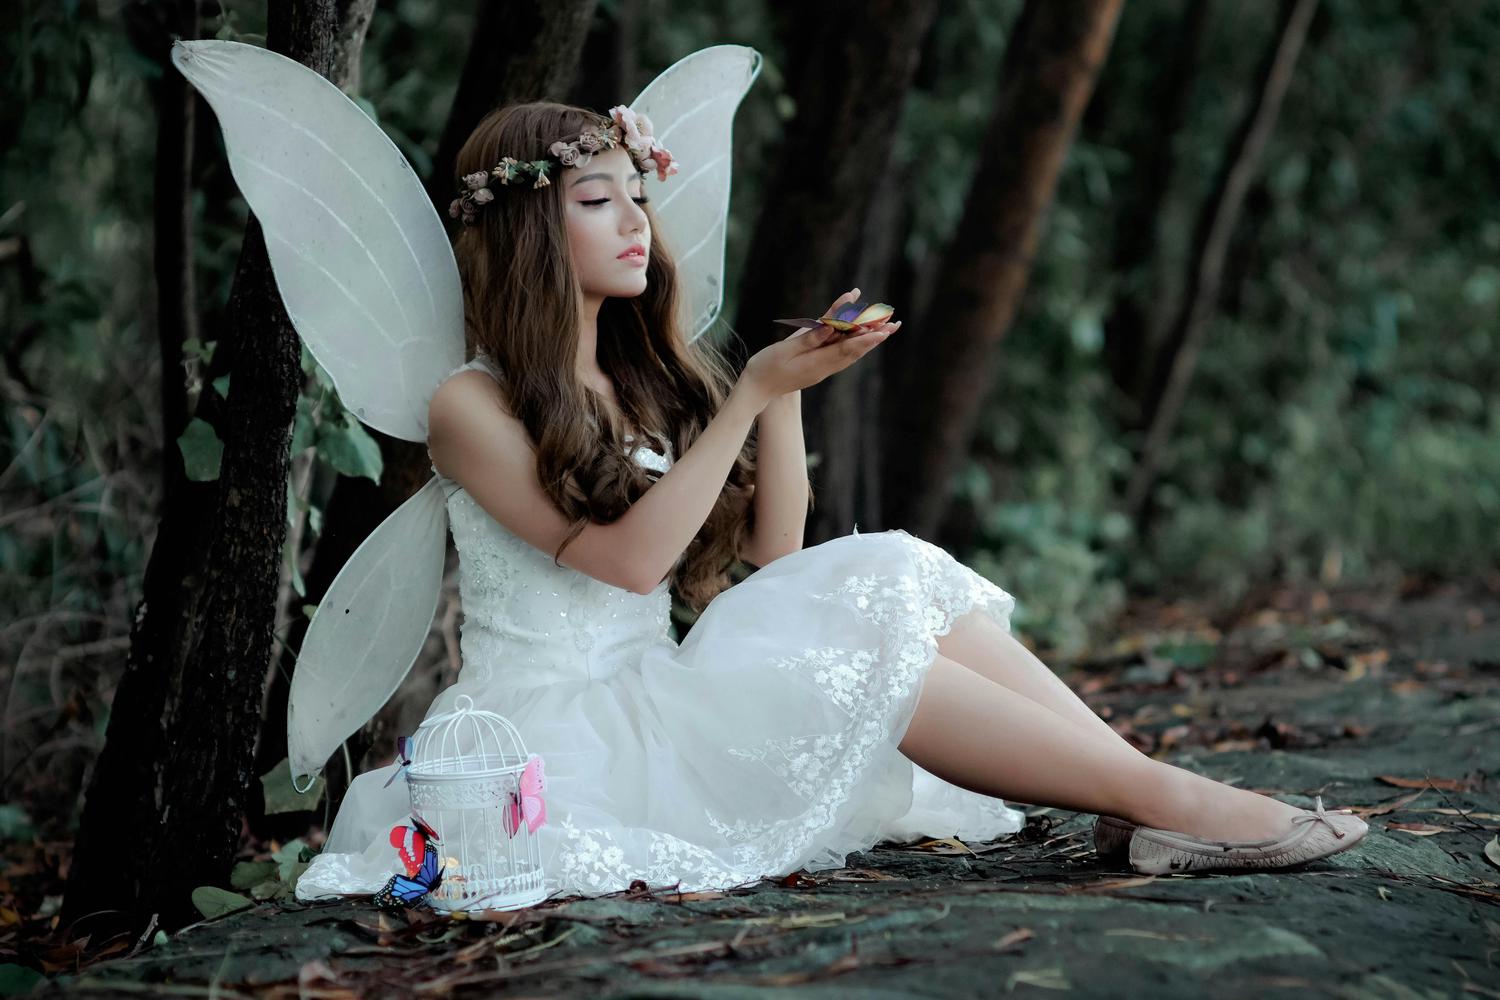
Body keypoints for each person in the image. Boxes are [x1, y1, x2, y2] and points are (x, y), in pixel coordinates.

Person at [289, 98, 1367, 904]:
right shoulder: (469, 405)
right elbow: (625, 565)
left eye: (640, 197)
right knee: (851, 650)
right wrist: (752, 386)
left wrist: (787, 395)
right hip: (567, 732)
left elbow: (781, 551)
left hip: (657, 683)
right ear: (529, 225)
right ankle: (1167, 804)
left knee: (884, 569)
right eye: (599, 199)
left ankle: (1148, 792)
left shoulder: (640, 377)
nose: (637, 225)